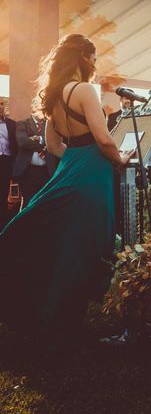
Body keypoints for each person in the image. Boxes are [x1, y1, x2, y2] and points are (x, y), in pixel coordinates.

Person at [0, 34, 134, 342]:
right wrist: (121, 158)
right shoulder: (85, 90)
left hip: (69, 171)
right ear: (83, 58)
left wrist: (77, 157)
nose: (95, 64)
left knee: (61, 243)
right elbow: (103, 139)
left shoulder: (54, 97)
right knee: (91, 243)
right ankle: (67, 318)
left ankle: (55, 313)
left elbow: (53, 146)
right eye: (94, 57)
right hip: (93, 178)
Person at [13, 106, 58, 206]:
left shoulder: (51, 125)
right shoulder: (23, 123)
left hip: (47, 171)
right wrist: (45, 146)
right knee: (29, 203)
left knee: (45, 203)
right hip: (28, 172)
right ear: (34, 109)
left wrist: (39, 138)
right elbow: (22, 142)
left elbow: (57, 142)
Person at [0, 97, 17, 229]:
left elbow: (16, 146)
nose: (0, 106)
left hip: (6, 162)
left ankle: (4, 223)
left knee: (4, 191)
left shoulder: (12, 124)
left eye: (1, 104)